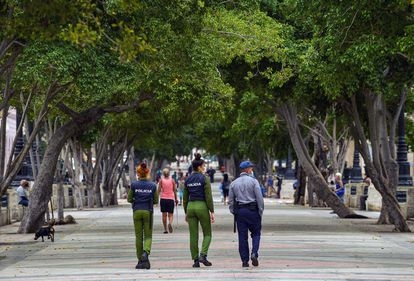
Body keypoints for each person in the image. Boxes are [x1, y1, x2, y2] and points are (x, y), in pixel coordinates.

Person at [228, 161, 264, 268]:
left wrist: (234, 211)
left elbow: (231, 201)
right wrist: (260, 211)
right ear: (247, 169)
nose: (251, 170)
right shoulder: (254, 182)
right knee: (256, 234)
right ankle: (254, 253)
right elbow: (259, 199)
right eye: (251, 168)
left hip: (241, 212)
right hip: (253, 211)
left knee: (242, 237)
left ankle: (244, 260)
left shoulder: (234, 183)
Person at [183, 153, 215, 268]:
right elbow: (208, 196)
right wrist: (212, 211)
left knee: (193, 235)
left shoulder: (188, 179)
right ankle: (203, 255)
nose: (204, 167)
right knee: (207, 234)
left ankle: (196, 260)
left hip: (190, 207)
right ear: (199, 167)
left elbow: (185, 198)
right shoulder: (204, 178)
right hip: (202, 206)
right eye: (203, 166)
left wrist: (186, 212)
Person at [127, 162, 158, 270]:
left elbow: (129, 199)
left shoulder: (134, 185)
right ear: (147, 173)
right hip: (148, 212)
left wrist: (136, 199)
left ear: (138, 174)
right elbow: (155, 200)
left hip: (136, 212)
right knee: (148, 236)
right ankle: (146, 252)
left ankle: (140, 260)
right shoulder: (153, 185)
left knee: (138, 237)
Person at [158, 168, 178, 234]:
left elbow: (158, 190)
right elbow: (174, 190)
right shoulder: (172, 180)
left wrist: (156, 199)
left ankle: (165, 229)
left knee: (164, 215)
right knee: (171, 214)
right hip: (170, 199)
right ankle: (170, 223)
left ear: (163, 174)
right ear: (169, 173)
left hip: (163, 199)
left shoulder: (161, 180)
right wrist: (176, 199)